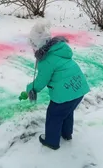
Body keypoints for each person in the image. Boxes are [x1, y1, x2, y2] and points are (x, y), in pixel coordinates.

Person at [25, 20, 90, 150]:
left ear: (37, 45)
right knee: (67, 112)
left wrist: (31, 89)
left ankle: (51, 141)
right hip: (79, 89)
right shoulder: (59, 50)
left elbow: (41, 82)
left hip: (65, 93)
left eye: (32, 45)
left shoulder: (47, 61)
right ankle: (66, 134)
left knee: (54, 115)